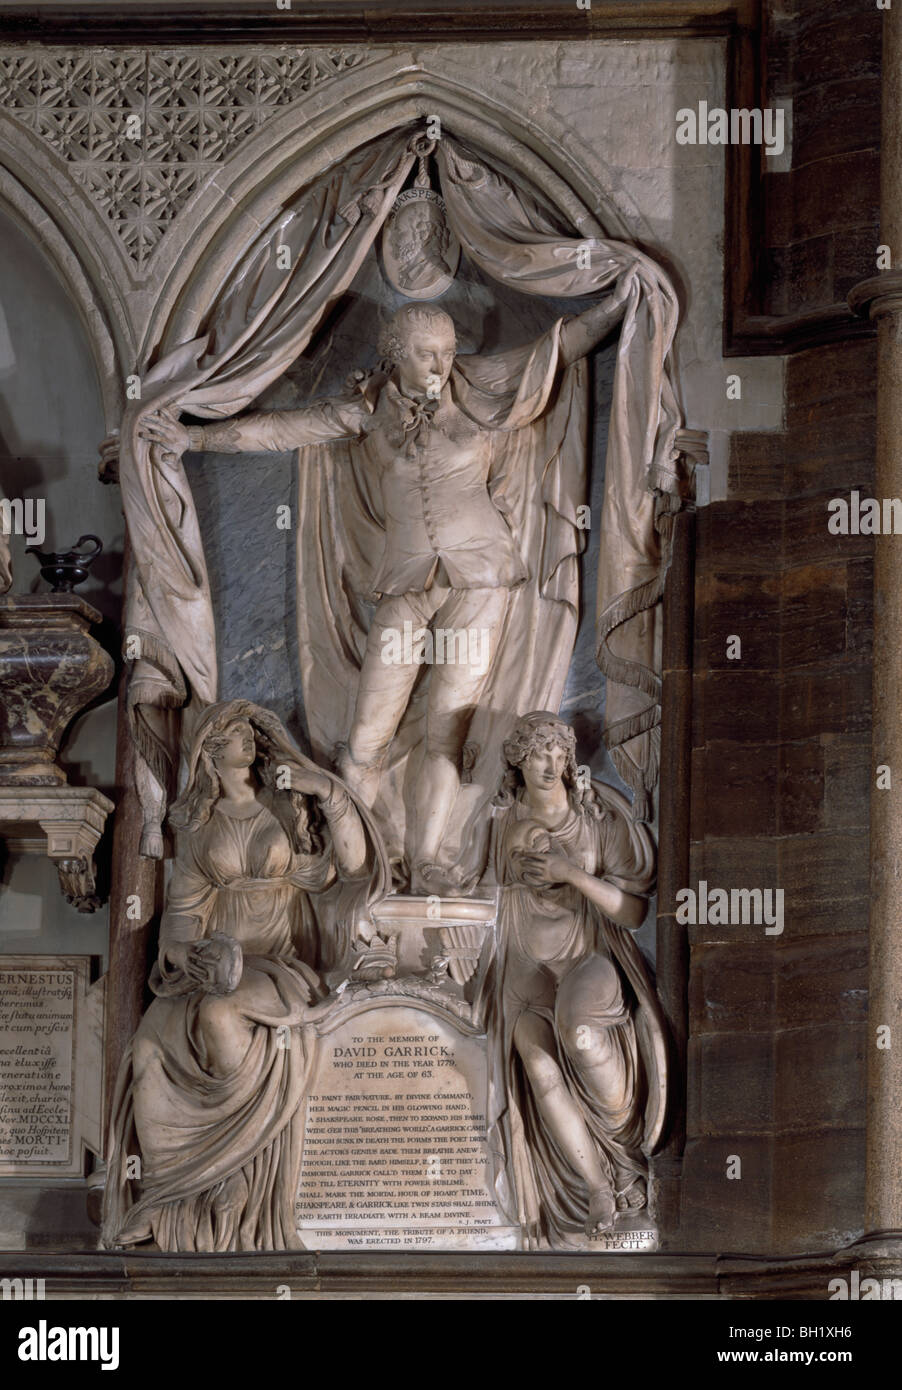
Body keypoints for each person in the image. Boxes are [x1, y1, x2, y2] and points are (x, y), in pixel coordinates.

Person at [139, 287, 631, 891]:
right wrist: (194, 440)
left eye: (447, 352)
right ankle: (360, 866)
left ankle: (424, 860)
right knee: (369, 728)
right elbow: (283, 430)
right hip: (405, 581)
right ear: (394, 354)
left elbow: (556, 349)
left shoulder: (477, 391)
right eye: (426, 354)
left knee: (447, 728)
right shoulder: (367, 409)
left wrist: (616, 307)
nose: (440, 366)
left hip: (482, 578)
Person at [101, 698, 384, 1252]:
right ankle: (163, 1195)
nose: (246, 738)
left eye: (249, 730)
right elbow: (180, 924)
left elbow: (350, 867)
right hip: (217, 964)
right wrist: (191, 957)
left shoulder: (286, 808)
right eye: (231, 731)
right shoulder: (200, 831)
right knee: (149, 1046)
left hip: (279, 962)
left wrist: (325, 791)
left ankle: (233, 1169)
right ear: (208, 751)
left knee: (219, 1012)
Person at [486, 710, 667, 1248]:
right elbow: (467, 888)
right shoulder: (496, 826)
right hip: (522, 966)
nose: (550, 762)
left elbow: (632, 913)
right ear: (517, 760)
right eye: (538, 752)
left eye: (558, 752)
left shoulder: (595, 821)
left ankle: (628, 1160)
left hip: (586, 954)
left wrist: (571, 874)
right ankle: (599, 1189)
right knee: (539, 1069)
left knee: (581, 1033)